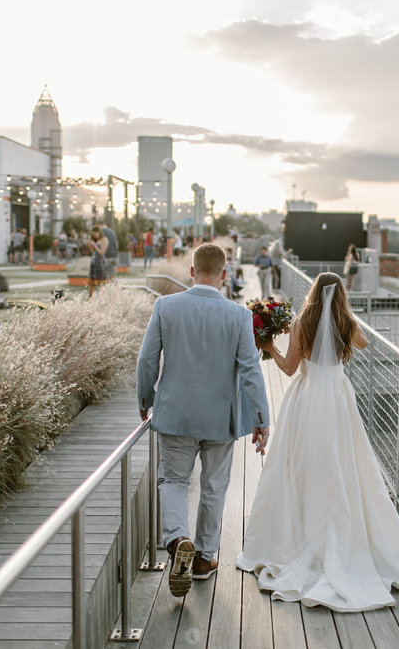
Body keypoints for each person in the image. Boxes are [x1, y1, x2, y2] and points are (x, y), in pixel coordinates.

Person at [237, 272, 399, 610]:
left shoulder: (301, 323)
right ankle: (339, 536)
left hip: (307, 397)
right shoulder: (346, 321)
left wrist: (270, 345)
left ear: (313, 291)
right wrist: (345, 321)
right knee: (344, 464)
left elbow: (288, 369)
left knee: (301, 467)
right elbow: (364, 345)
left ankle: (304, 535)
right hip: (339, 398)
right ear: (340, 295)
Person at [137, 243, 270, 598]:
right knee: (213, 486)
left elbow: (147, 360)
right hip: (219, 419)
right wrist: (260, 418)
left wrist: (146, 400)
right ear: (225, 275)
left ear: (192, 272)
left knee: (174, 480)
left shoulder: (165, 306)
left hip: (175, 414)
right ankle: (204, 558)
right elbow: (250, 372)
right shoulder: (238, 315)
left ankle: (179, 538)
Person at [87, 226, 109, 298]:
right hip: (93, 262)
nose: (94, 236)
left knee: (100, 282)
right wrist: (91, 246)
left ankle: (101, 298)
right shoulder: (96, 241)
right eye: (92, 235)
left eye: (95, 234)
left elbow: (101, 253)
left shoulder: (104, 240)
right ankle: (90, 298)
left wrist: (94, 245)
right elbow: (92, 252)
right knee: (91, 281)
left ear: (98, 232)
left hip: (100, 262)